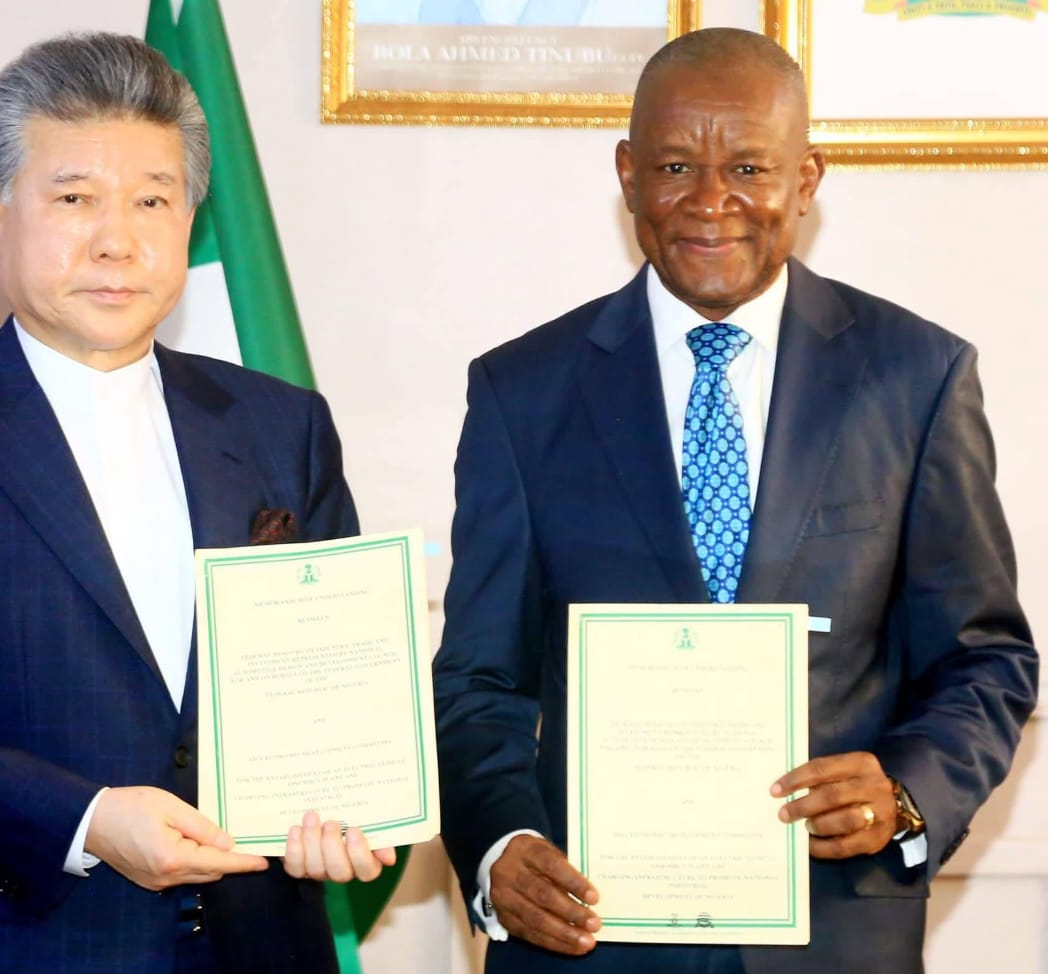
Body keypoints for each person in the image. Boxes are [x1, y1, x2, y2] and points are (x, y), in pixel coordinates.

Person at [433, 26, 1037, 974]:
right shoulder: (523, 392)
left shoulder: (916, 378)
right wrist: (501, 843)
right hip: (593, 939)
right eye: (676, 166)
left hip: (834, 937)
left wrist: (906, 794)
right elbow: (478, 681)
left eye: (749, 167)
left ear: (806, 180)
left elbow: (984, 659)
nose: (711, 202)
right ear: (629, 176)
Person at [0, 32, 391, 974]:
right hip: (23, 946)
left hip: (263, 946)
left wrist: (347, 804)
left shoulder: (283, 424)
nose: (118, 240)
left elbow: (334, 687)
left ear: (190, 221)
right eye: (74, 199)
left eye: (152, 201)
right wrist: (86, 819)